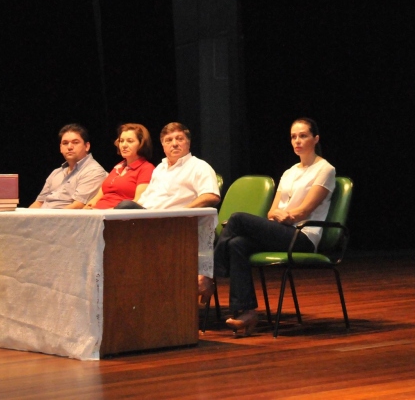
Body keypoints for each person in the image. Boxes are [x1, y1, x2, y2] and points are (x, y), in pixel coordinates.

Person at [203, 118, 336, 336]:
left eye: (303, 136)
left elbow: (304, 211)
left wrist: (286, 216)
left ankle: (208, 275)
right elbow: (272, 211)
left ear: (316, 139)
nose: (297, 141)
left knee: (237, 219)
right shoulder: (289, 172)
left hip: (303, 235)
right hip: (283, 229)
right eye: (293, 137)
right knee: (237, 244)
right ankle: (246, 312)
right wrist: (279, 215)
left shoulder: (325, 169)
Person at [116, 122, 220, 209]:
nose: (174, 144)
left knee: (125, 206)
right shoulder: (160, 168)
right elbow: (144, 200)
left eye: (179, 139)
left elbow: (211, 196)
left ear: (188, 143)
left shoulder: (199, 166)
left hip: (177, 221)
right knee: (124, 208)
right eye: (169, 140)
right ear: (163, 146)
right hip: (149, 216)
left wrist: (183, 212)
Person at [29, 124, 107, 209]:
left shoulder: (93, 171)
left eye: (75, 142)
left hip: (62, 217)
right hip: (42, 215)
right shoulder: (56, 172)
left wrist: (45, 217)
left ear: (87, 146)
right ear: (60, 148)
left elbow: (78, 206)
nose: (69, 147)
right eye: (65, 143)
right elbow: (38, 203)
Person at [84, 123, 156, 209]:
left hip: (117, 215)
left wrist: (109, 211)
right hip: (98, 212)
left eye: (130, 141)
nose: (124, 145)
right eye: (121, 141)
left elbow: (138, 202)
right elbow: (96, 198)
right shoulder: (119, 166)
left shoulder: (146, 168)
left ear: (142, 144)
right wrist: (86, 210)